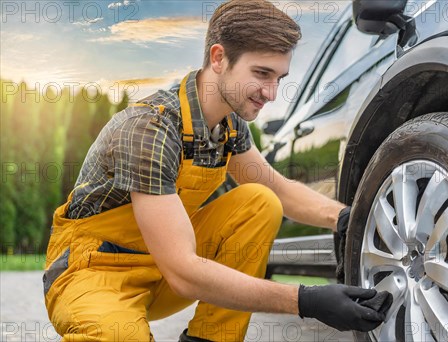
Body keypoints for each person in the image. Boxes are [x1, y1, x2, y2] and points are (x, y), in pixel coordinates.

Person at [43, 1, 391, 341]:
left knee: (259, 200)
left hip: (159, 267)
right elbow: (183, 273)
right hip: (95, 272)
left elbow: (279, 191)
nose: (271, 93)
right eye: (261, 74)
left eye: (279, 77)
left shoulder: (229, 125)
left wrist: (347, 217)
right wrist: (306, 300)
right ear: (219, 58)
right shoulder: (150, 128)